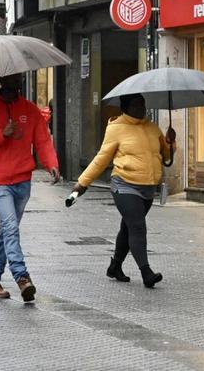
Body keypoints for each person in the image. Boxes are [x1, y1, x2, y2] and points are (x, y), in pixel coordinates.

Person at [72, 93, 174, 288]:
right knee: (137, 226)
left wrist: (170, 142)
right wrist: (82, 183)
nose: (141, 108)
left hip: (148, 187)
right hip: (124, 184)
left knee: (127, 228)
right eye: (136, 104)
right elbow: (102, 158)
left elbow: (165, 156)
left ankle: (115, 266)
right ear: (125, 107)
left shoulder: (153, 128)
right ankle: (146, 272)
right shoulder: (116, 128)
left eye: (143, 104)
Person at [0, 73, 59, 302]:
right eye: (12, 78)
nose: (17, 81)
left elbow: (42, 140)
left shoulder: (30, 109)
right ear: (2, 80)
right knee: (10, 227)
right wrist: (2, 134)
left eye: (19, 78)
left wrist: (51, 164)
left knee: (7, 231)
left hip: (23, 179)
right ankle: (22, 277)